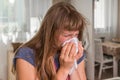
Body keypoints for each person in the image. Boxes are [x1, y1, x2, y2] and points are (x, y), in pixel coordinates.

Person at [13, 2, 87, 80]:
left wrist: (72, 65)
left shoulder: (76, 53)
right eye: (66, 35)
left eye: (76, 35)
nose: (73, 40)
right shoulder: (27, 55)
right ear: (51, 32)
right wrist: (64, 70)